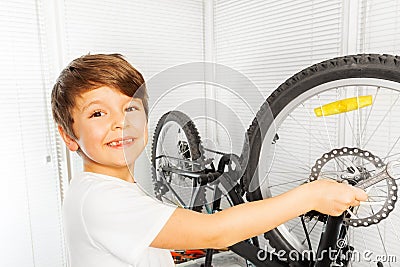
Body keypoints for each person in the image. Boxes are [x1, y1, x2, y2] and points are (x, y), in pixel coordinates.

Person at [51, 54, 368, 267]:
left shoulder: (97, 189)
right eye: (97, 113)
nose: (120, 123)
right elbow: (214, 232)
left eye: (130, 108)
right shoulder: (99, 200)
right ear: (68, 136)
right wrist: (309, 195)